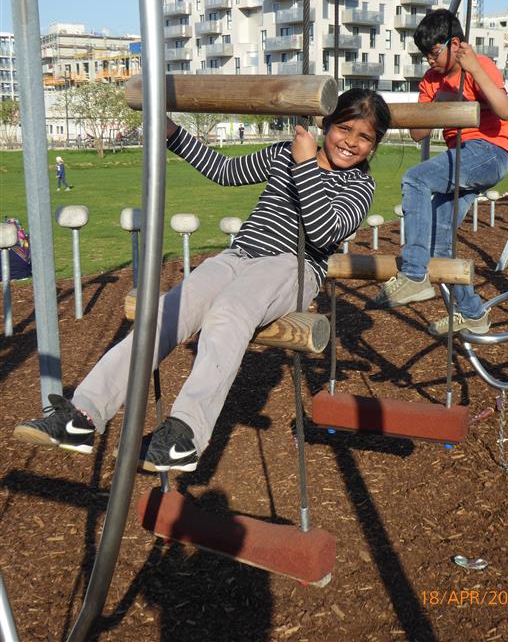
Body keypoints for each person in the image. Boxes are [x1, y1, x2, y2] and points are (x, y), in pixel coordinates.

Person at [14, 89, 391, 472]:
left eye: (364, 137)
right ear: (327, 124)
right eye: (344, 129)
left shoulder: (359, 186)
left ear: (375, 145)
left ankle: (186, 434)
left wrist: (306, 163)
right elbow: (226, 172)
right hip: (239, 255)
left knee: (230, 311)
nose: (351, 142)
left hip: (293, 266)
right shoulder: (284, 153)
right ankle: (82, 415)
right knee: (167, 313)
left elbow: (324, 232)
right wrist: (173, 134)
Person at [372, 9, 508, 336]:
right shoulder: (431, 80)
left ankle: (414, 274)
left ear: (456, 44)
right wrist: (439, 101)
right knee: (439, 238)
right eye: (425, 54)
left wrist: (474, 69)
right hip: (462, 156)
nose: (430, 60)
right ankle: (473, 313)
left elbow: (505, 111)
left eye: (434, 52)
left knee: (415, 178)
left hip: (491, 151)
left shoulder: (480, 65)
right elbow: (418, 133)